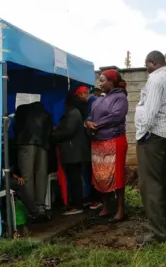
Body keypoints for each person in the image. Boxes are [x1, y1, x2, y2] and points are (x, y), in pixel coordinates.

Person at [134, 51, 166, 244]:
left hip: (153, 136)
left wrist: (141, 133)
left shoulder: (155, 79)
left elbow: (150, 112)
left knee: (149, 184)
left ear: (153, 62)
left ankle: (157, 233)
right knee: (162, 180)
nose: (146, 69)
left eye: (147, 65)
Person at [85, 69, 129, 223]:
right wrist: (88, 122)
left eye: (103, 80)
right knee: (100, 176)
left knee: (116, 176)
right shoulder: (98, 99)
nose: (100, 83)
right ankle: (106, 207)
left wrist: (96, 124)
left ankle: (120, 209)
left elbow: (116, 116)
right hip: (98, 142)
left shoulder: (120, 98)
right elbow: (90, 115)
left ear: (112, 81)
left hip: (114, 140)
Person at [52, 93, 89, 215]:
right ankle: (77, 202)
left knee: (74, 179)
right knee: (76, 178)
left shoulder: (73, 113)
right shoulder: (76, 112)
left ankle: (77, 205)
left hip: (73, 151)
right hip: (76, 151)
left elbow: (68, 131)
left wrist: (54, 136)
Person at [13, 102, 53, 215]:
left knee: (27, 176)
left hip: (25, 144)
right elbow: (50, 132)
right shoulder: (45, 113)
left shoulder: (21, 112)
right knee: (41, 174)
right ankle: (40, 206)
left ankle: (30, 208)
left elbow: (15, 129)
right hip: (43, 145)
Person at [75, 86, 101, 210]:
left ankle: (98, 199)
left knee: (95, 170)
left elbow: (92, 120)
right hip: (95, 140)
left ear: (83, 94)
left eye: (79, 96)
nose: (79, 98)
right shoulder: (94, 101)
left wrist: (87, 123)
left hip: (96, 140)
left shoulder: (92, 102)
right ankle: (96, 198)